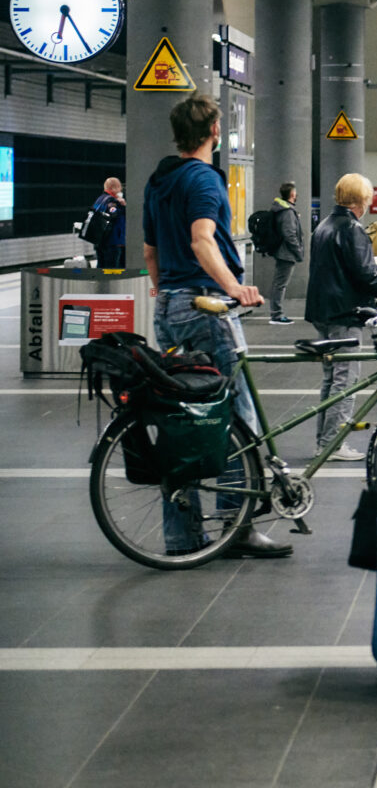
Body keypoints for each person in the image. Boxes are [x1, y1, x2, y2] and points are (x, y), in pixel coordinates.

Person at [143, 94, 289, 559]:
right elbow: (202, 239)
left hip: (168, 307)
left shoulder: (158, 180)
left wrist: (166, 291)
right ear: (212, 132)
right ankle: (237, 525)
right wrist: (235, 288)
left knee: (184, 418)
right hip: (205, 305)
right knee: (236, 415)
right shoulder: (204, 179)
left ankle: (182, 535)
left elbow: (151, 252)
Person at [305, 173, 377, 461]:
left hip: (322, 311)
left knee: (331, 378)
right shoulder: (351, 229)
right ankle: (333, 443)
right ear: (360, 200)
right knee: (345, 380)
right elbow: (365, 274)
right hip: (344, 313)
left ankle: (324, 441)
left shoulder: (324, 226)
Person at [268, 181, 303, 325]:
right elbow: (290, 234)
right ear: (292, 194)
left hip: (282, 251)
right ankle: (277, 314)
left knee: (279, 283)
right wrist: (298, 251)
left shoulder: (283, 210)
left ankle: (276, 313)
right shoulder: (287, 212)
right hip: (286, 253)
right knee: (280, 284)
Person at [91, 177, 128, 269]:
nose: (120, 190)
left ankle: (100, 284)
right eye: (119, 187)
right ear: (113, 188)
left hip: (99, 241)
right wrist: (123, 205)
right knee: (113, 270)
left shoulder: (99, 199)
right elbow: (114, 215)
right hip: (113, 241)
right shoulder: (112, 201)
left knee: (101, 268)